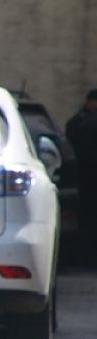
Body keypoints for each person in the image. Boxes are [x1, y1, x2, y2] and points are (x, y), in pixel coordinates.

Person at [66, 88, 97, 259]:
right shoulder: (84, 122)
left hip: (82, 175)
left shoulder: (78, 121)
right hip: (86, 175)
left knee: (86, 215)